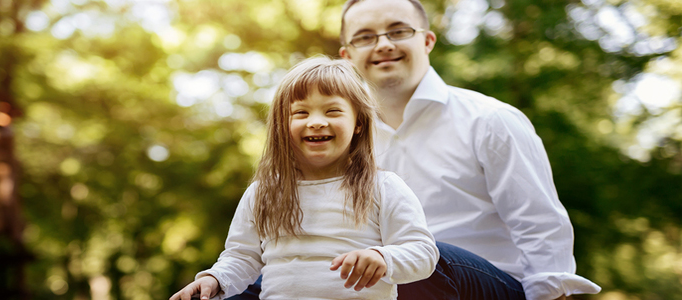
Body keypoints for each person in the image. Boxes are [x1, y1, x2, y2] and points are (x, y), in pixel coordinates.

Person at [336, 0, 602, 299]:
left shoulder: (491, 120)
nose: (383, 44)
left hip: (490, 286)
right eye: (365, 36)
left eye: (398, 31)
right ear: (346, 56)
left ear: (427, 41)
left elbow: (540, 225)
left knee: (421, 260)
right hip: (382, 287)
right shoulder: (339, 142)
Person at [170, 57, 438, 300]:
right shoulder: (262, 193)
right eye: (301, 113)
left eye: (332, 111)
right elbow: (243, 256)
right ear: (282, 126)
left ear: (358, 123)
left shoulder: (382, 187)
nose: (317, 121)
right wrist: (215, 278)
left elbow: (423, 253)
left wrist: (383, 257)